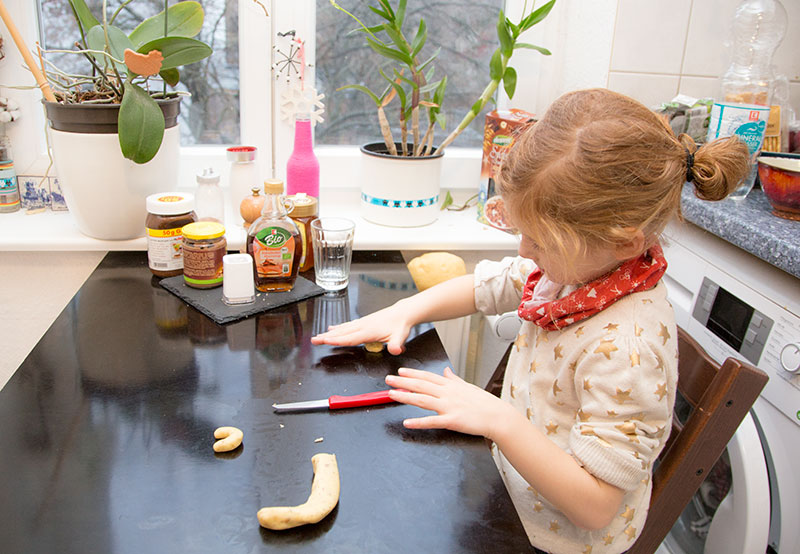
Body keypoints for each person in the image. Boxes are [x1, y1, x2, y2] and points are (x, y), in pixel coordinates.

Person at [311, 88, 750, 553]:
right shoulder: (582, 272)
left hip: (556, 541)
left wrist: (498, 420)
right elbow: (490, 284)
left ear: (624, 240)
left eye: (538, 241)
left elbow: (596, 506)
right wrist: (406, 310)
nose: (524, 252)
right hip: (510, 493)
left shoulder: (628, 350)